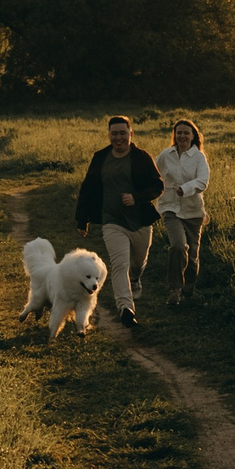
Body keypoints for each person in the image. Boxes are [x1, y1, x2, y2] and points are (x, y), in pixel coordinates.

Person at [75, 114, 165, 327]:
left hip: (140, 221)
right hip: (112, 220)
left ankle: (135, 278)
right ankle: (126, 308)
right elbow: (87, 189)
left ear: (131, 134)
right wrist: (82, 219)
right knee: (119, 264)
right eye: (114, 133)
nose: (118, 138)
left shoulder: (142, 157)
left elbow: (157, 186)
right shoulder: (100, 158)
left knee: (138, 263)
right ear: (109, 135)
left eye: (122, 133)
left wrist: (137, 198)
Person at [153, 117, 210, 306]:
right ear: (174, 136)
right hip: (170, 208)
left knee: (192, 256)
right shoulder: (166, 155)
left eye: (186, 133)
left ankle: (189, 290)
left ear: (193, 136)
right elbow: (152, 172)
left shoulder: (198, 157)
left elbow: (203, 181)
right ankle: (174, 289)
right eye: (179, 133)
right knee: (178, 246)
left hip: (193, 211)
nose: (182, 136)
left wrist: (185, 189)